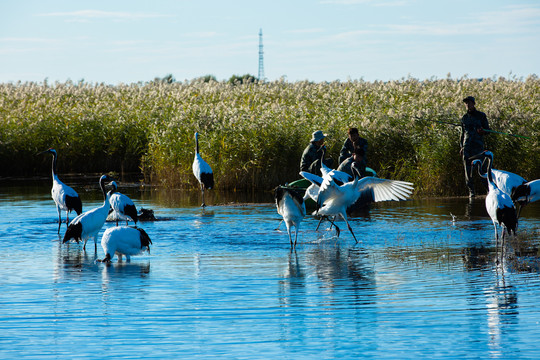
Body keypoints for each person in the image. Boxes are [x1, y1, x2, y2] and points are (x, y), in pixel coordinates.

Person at [460, 96, 490, 198]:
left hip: (478, 147)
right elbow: (462, 133)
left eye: (469, 102)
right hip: (467, 147)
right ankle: (471, 192)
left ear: (474, 103)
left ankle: (489, 190)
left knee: (481, 169)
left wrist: (483, 131)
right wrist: (461, 147)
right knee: (467, 171)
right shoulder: (464, 118)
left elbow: (487, 131)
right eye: (466, 103)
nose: (468, 105)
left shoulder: (481, 116)